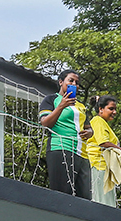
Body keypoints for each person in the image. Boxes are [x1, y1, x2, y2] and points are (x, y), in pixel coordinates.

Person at [39, 70, 93, 198]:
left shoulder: (80, 106)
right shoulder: (51, 99)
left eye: (77, 82)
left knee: (85, 197)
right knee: (62, 194)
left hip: (82, 153)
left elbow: (89, 128)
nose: (74, 84)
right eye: (71, 80)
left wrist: (89, 133)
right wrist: (61, 107)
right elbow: (45, 122)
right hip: (61, 148)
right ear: (61, 82)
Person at [87, 95, 121, 207]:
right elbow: (103, 143)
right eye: (111, 109)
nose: (114, 112)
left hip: (105, 168)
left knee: (108, 201)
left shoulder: (103, 123)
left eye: (115, 109)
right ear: (100, 109)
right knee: (102, 201)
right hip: (98, 166)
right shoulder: (97, 121)